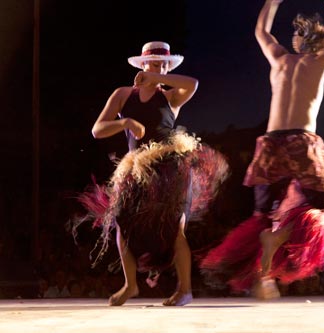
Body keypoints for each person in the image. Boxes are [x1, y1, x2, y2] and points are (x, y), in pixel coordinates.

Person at [200, 0, 324, 299]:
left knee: (263, 217)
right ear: (323, 45)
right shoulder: (321, 59)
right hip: (302, 144)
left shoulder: (279, 58)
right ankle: (279, 238)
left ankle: (264, 276)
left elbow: (260, 30)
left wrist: (272, 2)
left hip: (269, 144)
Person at [72, 41, 228, 306]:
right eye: (154, 62)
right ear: (142, 64)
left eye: (163, 64)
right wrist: (125, 122)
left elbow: (193, 83)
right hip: (137, 169)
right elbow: (97, 130)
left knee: (175, 225)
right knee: (122, 220)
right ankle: (130, 285)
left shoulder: (170, 97)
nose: (159, 66)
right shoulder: (123, 94)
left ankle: (185, 290)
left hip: (169, 167)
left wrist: (156, 78)